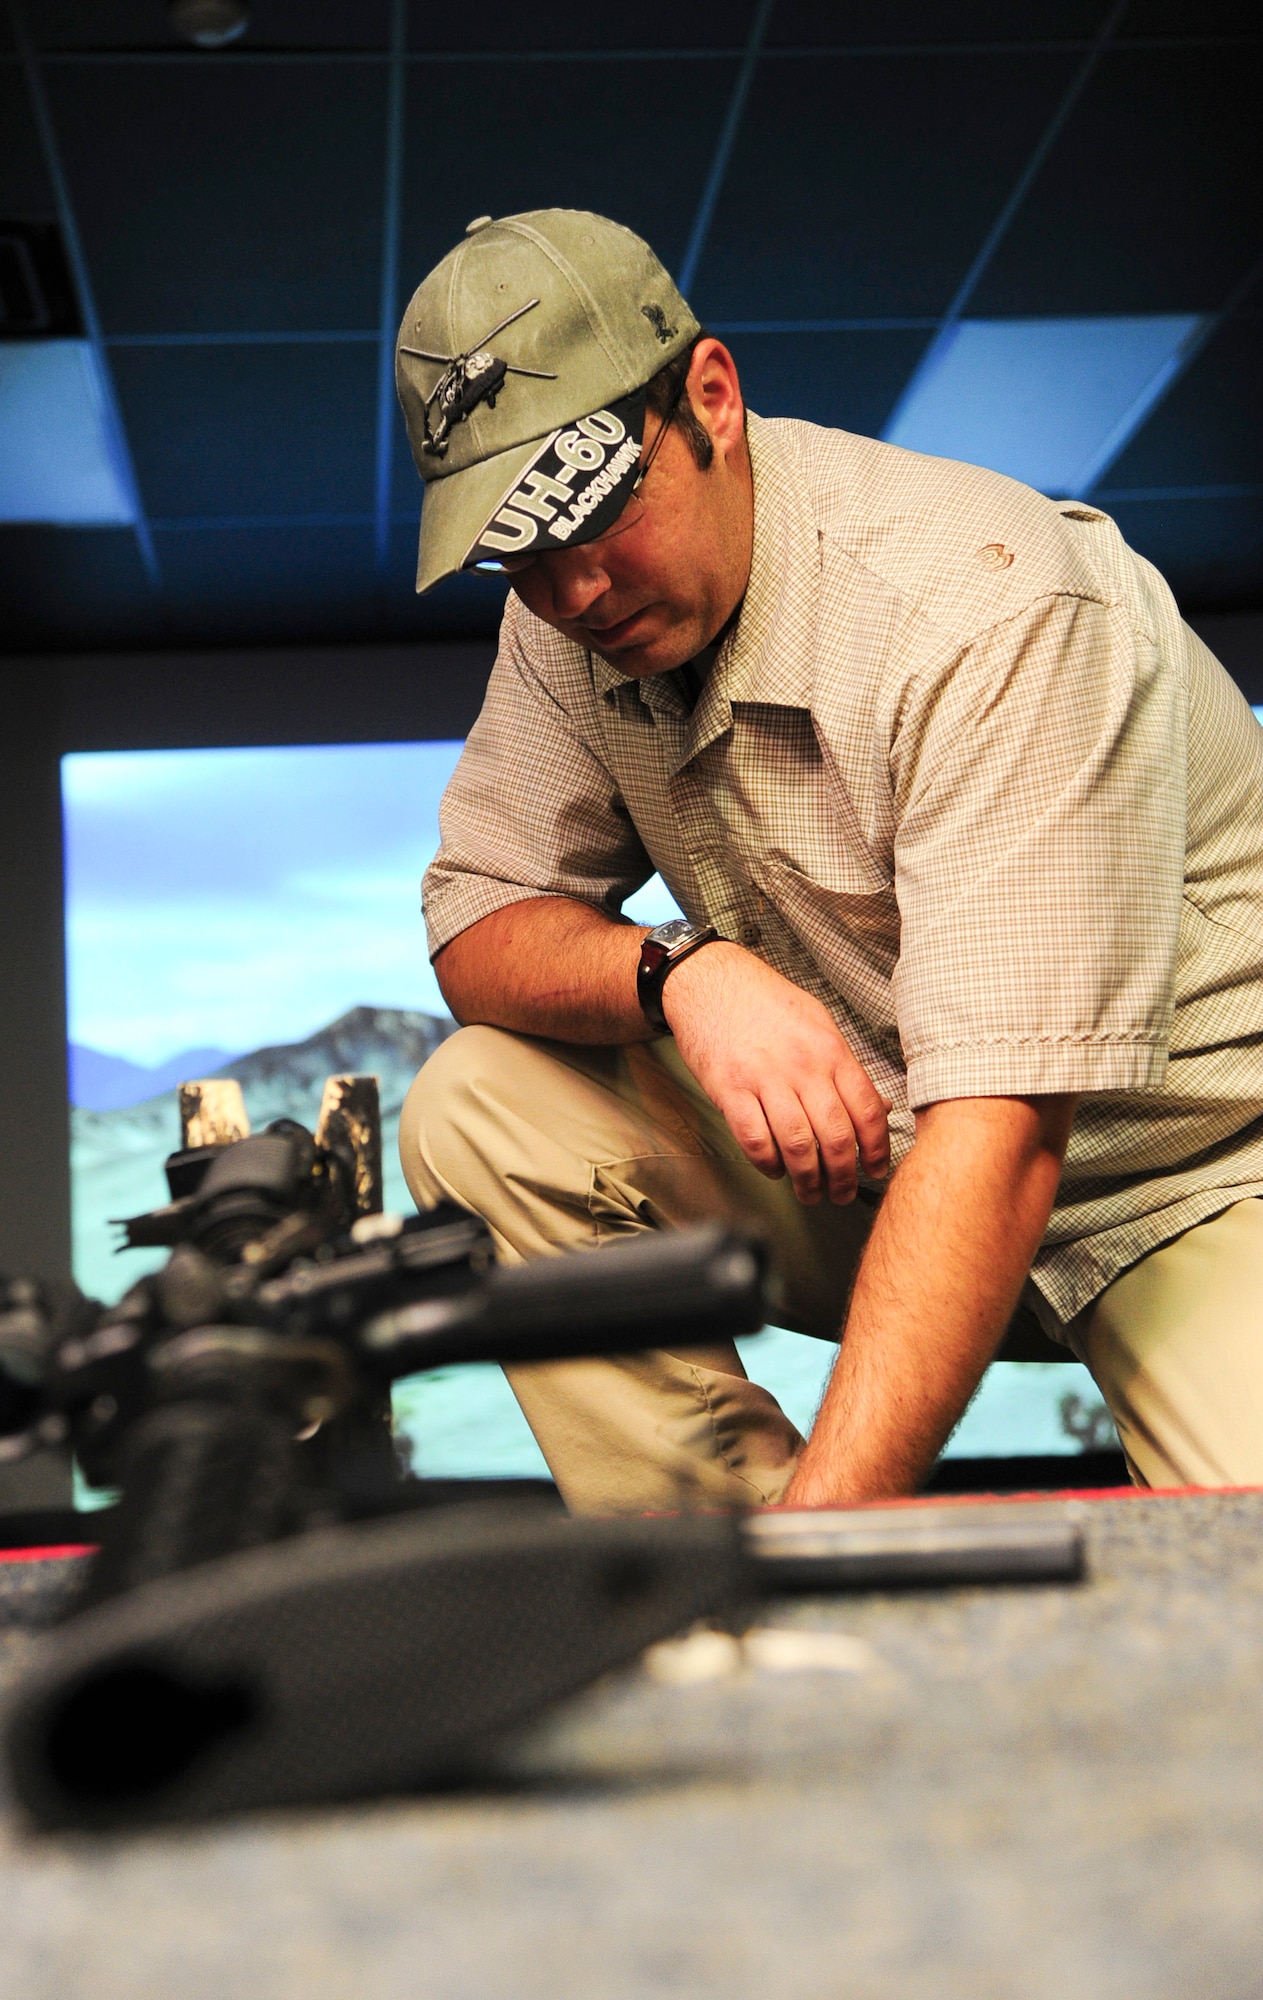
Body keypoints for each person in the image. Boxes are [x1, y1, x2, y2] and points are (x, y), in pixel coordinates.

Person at [393, 208, 1263, 1513]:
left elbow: (1010, 1136)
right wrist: (684, 974)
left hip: (1185, 1179)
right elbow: (477, 918)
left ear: (711, 400)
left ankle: (793, 1578)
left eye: (592, 512)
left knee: (1234, 1618)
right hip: (888, 1163)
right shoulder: (575, 620)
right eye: (522, 553)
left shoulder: (988, 604)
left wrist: (824, 1551)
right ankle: (712, 1595)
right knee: (478, 1099)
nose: (574, 593)